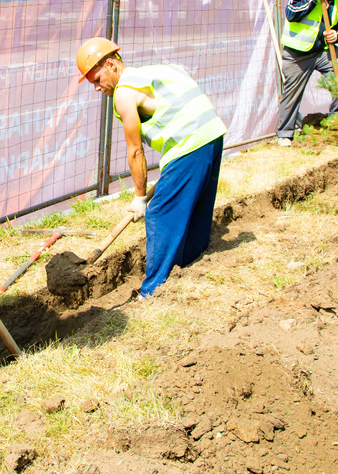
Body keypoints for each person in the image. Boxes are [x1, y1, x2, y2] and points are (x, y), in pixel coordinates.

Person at [76, 37, 227, 298]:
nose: (97, 88)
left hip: (188, 144)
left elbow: (135, 151)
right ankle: (191, 259)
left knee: (159, 213)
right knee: (197, 205)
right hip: (212, 133)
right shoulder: (155, 71)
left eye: (97, 79)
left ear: (111, 65)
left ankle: (154, 290)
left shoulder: (124, 92)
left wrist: (138, 198)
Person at [276, 0, 338, 146]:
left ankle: (337, 119)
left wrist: (336, 35)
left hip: (323, 51)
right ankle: (285, 133)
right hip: (297, 53)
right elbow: (291, 13)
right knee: (292, 92)